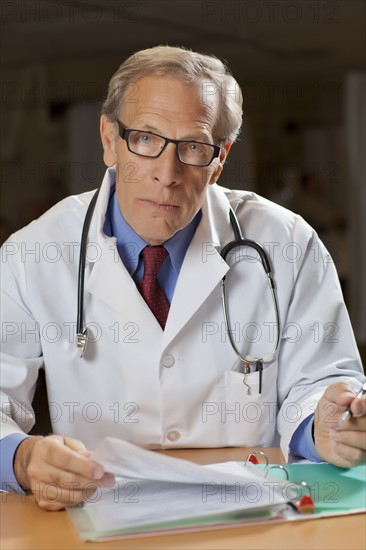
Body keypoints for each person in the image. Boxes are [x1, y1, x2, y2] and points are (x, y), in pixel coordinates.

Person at [1, 46, 365, 511]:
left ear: (220, 159)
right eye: (146, 139)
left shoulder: (287, 242)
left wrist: (327, 426)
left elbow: (322, 383)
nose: (166, 174)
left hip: (251, 516)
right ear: (109, 139)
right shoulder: (33, 254)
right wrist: (22, 457)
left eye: (193, 147)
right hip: (100, 512)